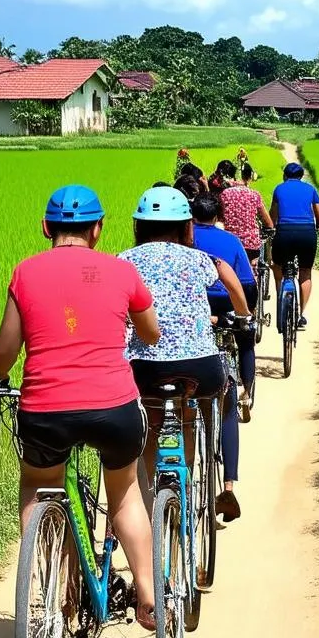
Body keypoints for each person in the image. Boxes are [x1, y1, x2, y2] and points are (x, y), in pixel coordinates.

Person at [0, 185, 161, 630]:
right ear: (98, 229)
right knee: (123, 493)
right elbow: (152, 332)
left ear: (47, 228)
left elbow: (5, 351)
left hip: (45, 411)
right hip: (115, 408)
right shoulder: (121, 271)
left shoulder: (25, 272)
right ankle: (146, 592)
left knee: (39, 484)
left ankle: (55, 581)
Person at [119, 186, 251, 524]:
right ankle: (186, 483)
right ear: (186, 226)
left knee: (149, 427)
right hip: (198, 368)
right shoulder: (197, 258)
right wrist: (243, 314)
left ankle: (149, 507)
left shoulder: (124, 261)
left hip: (142, 368)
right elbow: (225, 272)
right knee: (192, 413)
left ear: (139, 226)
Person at [192, 194, 258, 421]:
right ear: (218, 215)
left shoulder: (185, 240)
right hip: (228, 299)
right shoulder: (231, 240)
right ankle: (246, 393)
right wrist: (248, 313)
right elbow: (247, 282)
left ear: (192, 215)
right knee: (246, 341)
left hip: (199, 301)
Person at [270, 162, 319, 329]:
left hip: (284, 232)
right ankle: (301, 315)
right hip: (307, 234)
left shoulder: (279, 189)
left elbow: (273, 214)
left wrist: (271, 227)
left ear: (285, 175)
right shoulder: (310, 190)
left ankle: (281, 298)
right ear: (301, 176)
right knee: (305, 272)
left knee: (278, 267)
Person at [220, 162, 274, 266]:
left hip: (229, 242)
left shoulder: (224, 194)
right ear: (249, 178)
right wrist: (270, 227)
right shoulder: (254, 195)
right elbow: (268, 222)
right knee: (251, 266)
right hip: (250, 244)